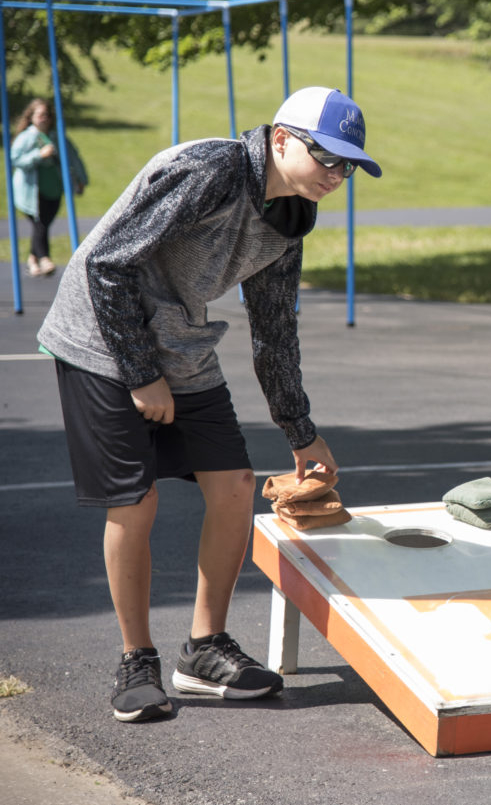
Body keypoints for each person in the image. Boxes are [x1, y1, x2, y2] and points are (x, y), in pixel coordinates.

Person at [37, 86, 382, 723]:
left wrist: (301, 432)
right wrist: (141, 376)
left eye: (348, 166)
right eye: (326, 158)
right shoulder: (211, 171)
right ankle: (135, 660)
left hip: (182, 345)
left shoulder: (292, 216)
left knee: (235, 486)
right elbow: (107, 264)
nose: (337, 175)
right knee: (136, 500)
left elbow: (274, 330)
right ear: (281, 138)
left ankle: (202, 650)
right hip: (99, 338)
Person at [9, 97, 88, 277]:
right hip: (31, 190)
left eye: (46, 115)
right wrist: (39, 155)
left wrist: (80, 179)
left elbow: (73, 158)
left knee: (44, 223)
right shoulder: (25, 137)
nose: (43, 118)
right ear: (31, 117)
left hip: (53, 187)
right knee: (40, 223)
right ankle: (44, 258)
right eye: (40, 115)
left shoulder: (57, 137)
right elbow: (16, 160)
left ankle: (32, 259)